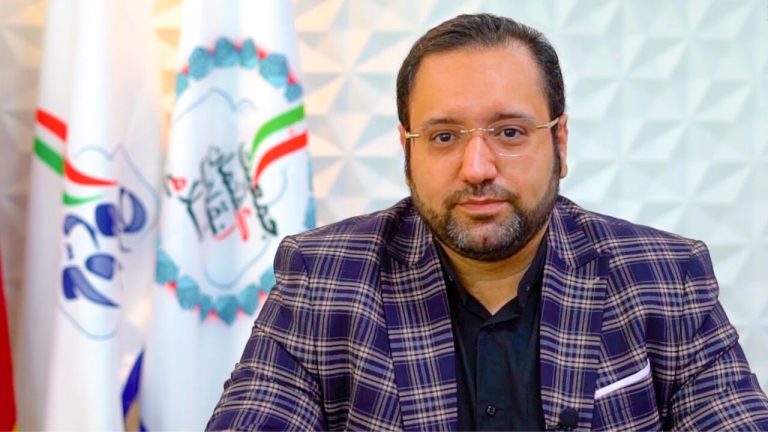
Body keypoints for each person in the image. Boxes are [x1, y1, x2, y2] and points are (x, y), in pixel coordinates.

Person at [207, 13, 768, 431]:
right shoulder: (324, 276)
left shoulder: (666, 276)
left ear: (560, 142)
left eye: (510, 132)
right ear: (407, 151)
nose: (477, 168)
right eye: (444, 136)